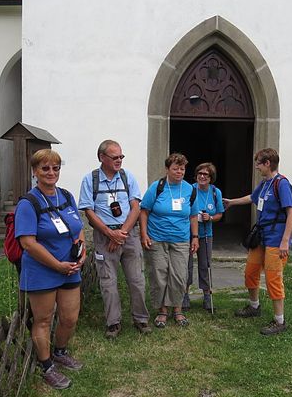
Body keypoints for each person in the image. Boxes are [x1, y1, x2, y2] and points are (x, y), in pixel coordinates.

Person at [15, 149, 86, 389]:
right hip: (43, 270)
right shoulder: (28, 203)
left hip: (70, 268)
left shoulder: (65, 195)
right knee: (44, 319)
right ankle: (46, 366)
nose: (51, 172)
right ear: (35, 171)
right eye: (45, 168)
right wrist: (56, 265)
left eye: (55, 168)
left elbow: (78, 227)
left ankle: (60, 352)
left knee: (69, 317)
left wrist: (82, 252)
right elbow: (28, 243)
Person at [78, 140, 151, 339]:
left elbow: (135, 208)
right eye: (115, 157)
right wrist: (110, 234)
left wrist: (120, 234)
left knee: (137, 280)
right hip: (104, 237)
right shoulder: (90, 180)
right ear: (102, 157)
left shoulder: (127, 177)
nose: (119, 160)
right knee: (108, 282)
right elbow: (89, 211)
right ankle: (113, 323)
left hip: (128, 235)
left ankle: (141, 319)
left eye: (121, 157)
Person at [224, 148, 292, 336]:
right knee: (250, 272)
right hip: (261, 237)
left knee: (273, 278)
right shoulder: (265, 183)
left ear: (267, 163)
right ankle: (254, 306)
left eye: (258, 163)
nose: (256, 167)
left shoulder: (281, 184)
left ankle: (279, 321)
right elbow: (252, 198)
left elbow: (291, 212)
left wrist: (285, 241)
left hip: (276, 240)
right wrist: (232, 202)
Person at [139, 153, 199, 328]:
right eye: (175, 169)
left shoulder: (190, 190)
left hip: (181, 240)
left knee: (179, 276)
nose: (179, 172)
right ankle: (162, 311)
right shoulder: (157, 187)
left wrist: (195, 237)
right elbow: (144, 211)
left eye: (182, 169)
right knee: (159, 275)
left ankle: (177, 309)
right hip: (157, 238)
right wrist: (144, 234)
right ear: (167, 169)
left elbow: (193, 215)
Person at [182, 162, 224, 312]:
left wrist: (210, 218)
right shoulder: (190, 189)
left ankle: (207, 295)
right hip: (188, 234)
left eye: (205, 174)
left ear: (211, 177)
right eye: (199, 173)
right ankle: (184, 294)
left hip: (206, 234)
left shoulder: (215, 192)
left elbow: (219, 213)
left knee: (205, 265)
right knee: (186, 265)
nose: (202, 176)